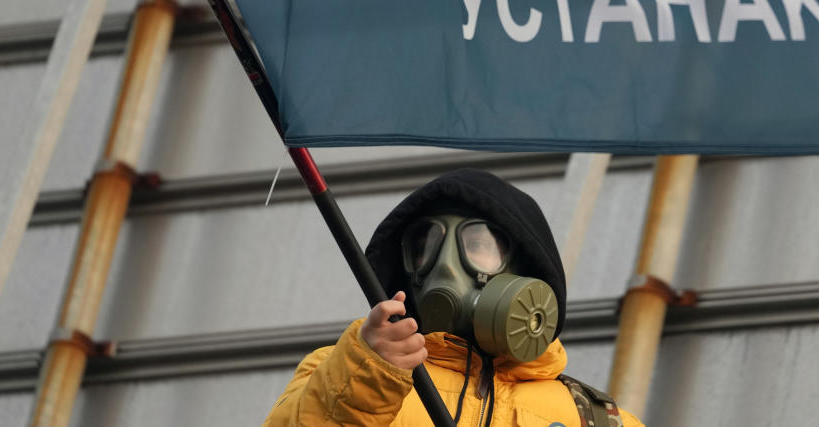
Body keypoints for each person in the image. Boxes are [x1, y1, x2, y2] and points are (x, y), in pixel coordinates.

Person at [263, 169, 644, 426]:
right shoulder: (341, 372)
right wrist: (364, 381)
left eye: (476, 244)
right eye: (424, 245)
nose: (443, 267)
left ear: (526, 269)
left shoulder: (596, 420)